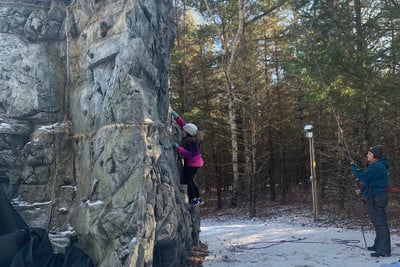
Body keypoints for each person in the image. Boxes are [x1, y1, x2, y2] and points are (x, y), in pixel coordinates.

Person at [351, 145, 391, 257]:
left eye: (369, 153)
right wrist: (362, 191)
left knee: (380, 223)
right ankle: (378, 245)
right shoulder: (377, 166)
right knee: (378, 222)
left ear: (375, 155)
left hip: (377, 198)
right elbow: (371, 182)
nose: (367, 155)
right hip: (376, 196)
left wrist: (354, 168)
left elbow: (364, 177)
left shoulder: (377, 166)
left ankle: (384, 250)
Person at [171, 110, 204, 207]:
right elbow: (184, 124)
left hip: (193, 164)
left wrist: (178, 148)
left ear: (187, 132)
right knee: (191, 180)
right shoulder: (192, 136)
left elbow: (190, 154)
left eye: (183, 130)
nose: (182, 130)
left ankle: (193, 199)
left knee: (187, 180)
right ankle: (198, 198)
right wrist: (177, 117)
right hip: (196, 163)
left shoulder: (191, 142)